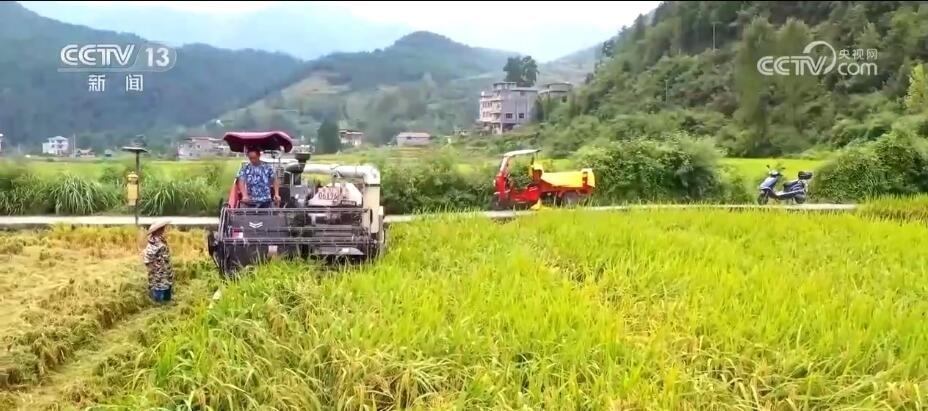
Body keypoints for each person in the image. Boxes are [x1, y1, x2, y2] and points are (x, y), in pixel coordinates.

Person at [142, 219, 174, 303]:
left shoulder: (161, 239)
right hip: (158, 272)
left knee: (167, 285)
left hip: (165, 269)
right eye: (162, 229)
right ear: (157, 231)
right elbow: (147, 258)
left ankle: (166, 302)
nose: (163, 230)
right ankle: (158, 302)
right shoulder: (153, 243)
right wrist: (152, 269)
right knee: (159, 288)